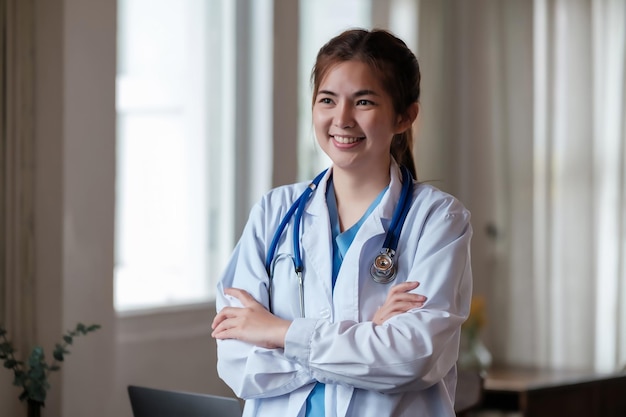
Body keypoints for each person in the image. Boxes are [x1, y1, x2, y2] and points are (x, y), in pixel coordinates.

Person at [211, 28, 473, 417]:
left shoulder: (438, 220)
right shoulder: (274, 212)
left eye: (363, 101)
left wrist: (278, 332)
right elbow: (237, 362)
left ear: (404, 116)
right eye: (327, 100)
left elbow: (412, 359)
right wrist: (368, 336)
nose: (342, 118)